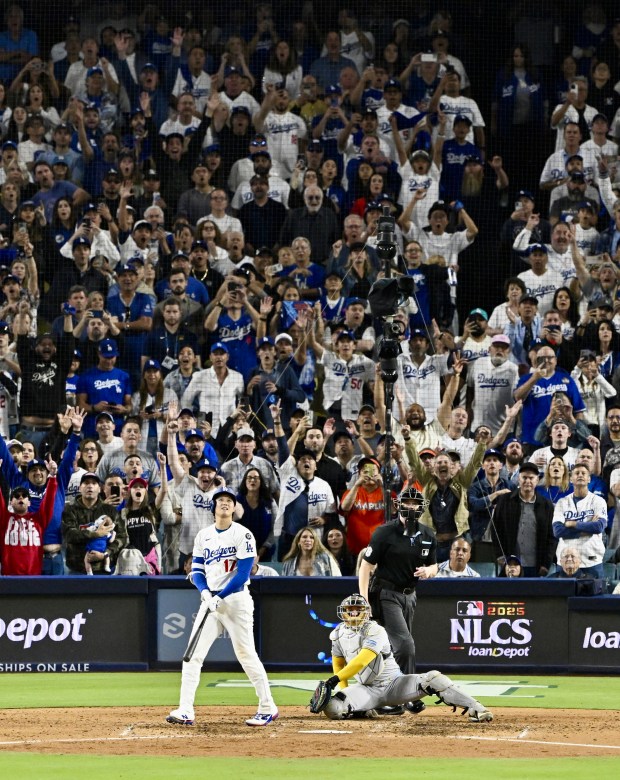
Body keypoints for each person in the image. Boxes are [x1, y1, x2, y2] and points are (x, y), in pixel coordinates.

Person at [166, 486, 279, 728]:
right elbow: (196, 571)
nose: (225, 503)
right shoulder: (203, 536)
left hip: (236, 600)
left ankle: (267, 706)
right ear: (214, 507)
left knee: (245, 653)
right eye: (220, 500)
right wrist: (206, 593)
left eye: (229, 500)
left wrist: (221, 595)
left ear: (235, 507)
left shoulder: (243, 534)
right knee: (192, 655)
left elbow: (243, 572)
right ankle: (185, 709)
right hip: (210, 601)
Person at [316, 594, 492, 722]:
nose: (353, 613)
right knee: (333, 708)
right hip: (366, 689)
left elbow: (362, 660)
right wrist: (343, 689)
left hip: (394, 685)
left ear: (366, 612)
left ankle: (477, 709)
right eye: (350, 610)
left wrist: (333, 681)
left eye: (358, 609)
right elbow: (338, 663)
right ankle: (361, 710)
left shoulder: (375, 630)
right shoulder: (338, 633)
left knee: (433, 678)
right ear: (343, 612)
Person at [358, 487, 437, 686]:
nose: (411, 506)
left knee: (392, 646)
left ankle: (384, 688)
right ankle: (406, 691)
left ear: (421, 507)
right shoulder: (384, 532)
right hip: (386, 593)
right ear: (399, 504)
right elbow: (366, 566)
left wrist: (429, 572)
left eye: (415, 503)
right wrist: (364, 600)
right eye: (407, 502)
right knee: (405, 646)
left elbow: (434, 564)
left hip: (410, 595)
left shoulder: (428, 534)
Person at [491, 462, 556, 577]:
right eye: (524, 477)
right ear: (518, 479)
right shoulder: (504, 501)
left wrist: (546, 564)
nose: (527, 481)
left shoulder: (547, 505)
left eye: (531, 478)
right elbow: (495, 529)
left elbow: (552, 537)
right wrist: (500, 555)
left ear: (537, 480)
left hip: (536, 566)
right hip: (510, 565)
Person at [61, 472, 127, 575]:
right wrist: (95, 534)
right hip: (77, 570)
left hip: (106, 570)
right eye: (86, 483)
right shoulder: (70, 510)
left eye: (94, 483)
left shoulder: (109, 510)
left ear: (100, 489)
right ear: (80, 488)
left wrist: (105, 554)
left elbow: (122, 537)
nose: (90, 486)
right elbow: (69, 534)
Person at [0, 459, 57, 575]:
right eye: (16, 496)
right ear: (11, 502)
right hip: (9, 579)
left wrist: (52, 477)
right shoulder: (4, 519)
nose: (20, 497)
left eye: (24, 496)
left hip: (34, 578)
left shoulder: (39, 519)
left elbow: (49, 500)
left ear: (29, 502)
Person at [552, 463, 606, 578]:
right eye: (577, 473)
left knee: (595, 595)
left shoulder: (598, 501)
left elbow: (599, 527)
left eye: (583, 473)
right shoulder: (562, 502)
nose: (580, 475)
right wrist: (587, 528)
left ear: (589, 479)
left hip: (592, 560)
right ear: (571, 479)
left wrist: (573, 524)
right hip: (566, 561)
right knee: (563, 595)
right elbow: (558, 531)